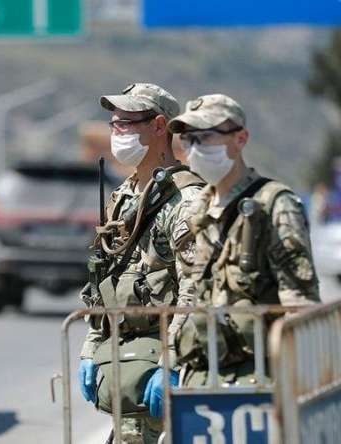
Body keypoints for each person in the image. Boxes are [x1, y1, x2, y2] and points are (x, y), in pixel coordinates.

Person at [78, 83, 205, 443]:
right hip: (126, 363)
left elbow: (196, 289)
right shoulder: (123, 197)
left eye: (127, 123)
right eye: (114, 124)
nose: (118, 132)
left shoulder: (186, 200)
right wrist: (91, 346)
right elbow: (104, 278)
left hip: (163, 365)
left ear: (160, 126)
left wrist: (172, 361)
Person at [167, 94, 321, 387]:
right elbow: (192, 291)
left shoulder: (274, 205)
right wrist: (170, 359)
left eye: (207, 136)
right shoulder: (200, 208)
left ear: (240, 139)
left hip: (260, 377)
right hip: (202, 372)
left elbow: (299, 305)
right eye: (189, 140)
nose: (195, 149)